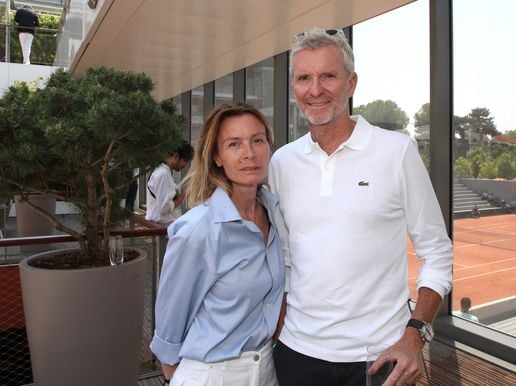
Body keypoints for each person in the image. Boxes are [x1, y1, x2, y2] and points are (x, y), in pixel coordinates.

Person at [268, 27, 453, 386]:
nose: (315, 89)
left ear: (351, 84)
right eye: (304, 77)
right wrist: (279, 330)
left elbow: (437, 251)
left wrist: (415, 335)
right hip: (296, 354)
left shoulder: (396, 151)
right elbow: (286, 257)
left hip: (379, 359)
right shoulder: (282, 162)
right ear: (294, 88)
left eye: (328, 76)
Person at [150, 102, 285, 386]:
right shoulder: (197, 230)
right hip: (212, 375)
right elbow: (169, 326)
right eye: (234, 144)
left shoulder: (275, 213)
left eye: (257, 140)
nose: (249, 153)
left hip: (266, 370)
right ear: (218, 157)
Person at [145, 142, 193, 224]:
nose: (186, 165)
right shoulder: (163, 174)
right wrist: (181, 197)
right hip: (162, 223)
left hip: (164, 221)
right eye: (185, 161)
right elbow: (164, 208)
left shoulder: (163, 170)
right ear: (176, 156)